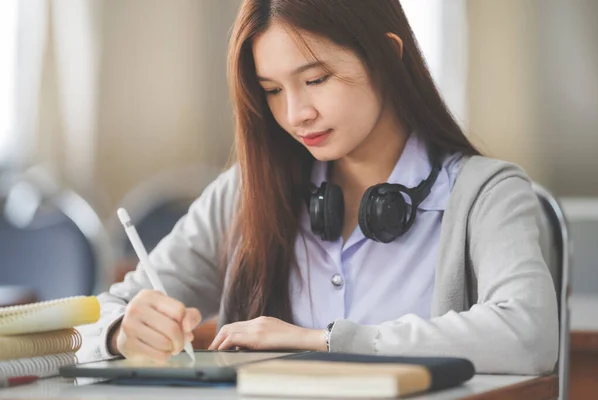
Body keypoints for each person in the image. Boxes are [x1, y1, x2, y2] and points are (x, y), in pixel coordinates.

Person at [80, 0, 558, 374]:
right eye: (272, 90)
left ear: (388, 57)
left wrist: (323, 340)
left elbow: (528, 333)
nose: (294, 114)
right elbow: (94, 321)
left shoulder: (487, 194)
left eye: (316, 79)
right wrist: (124, 330)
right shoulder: (245, 194)